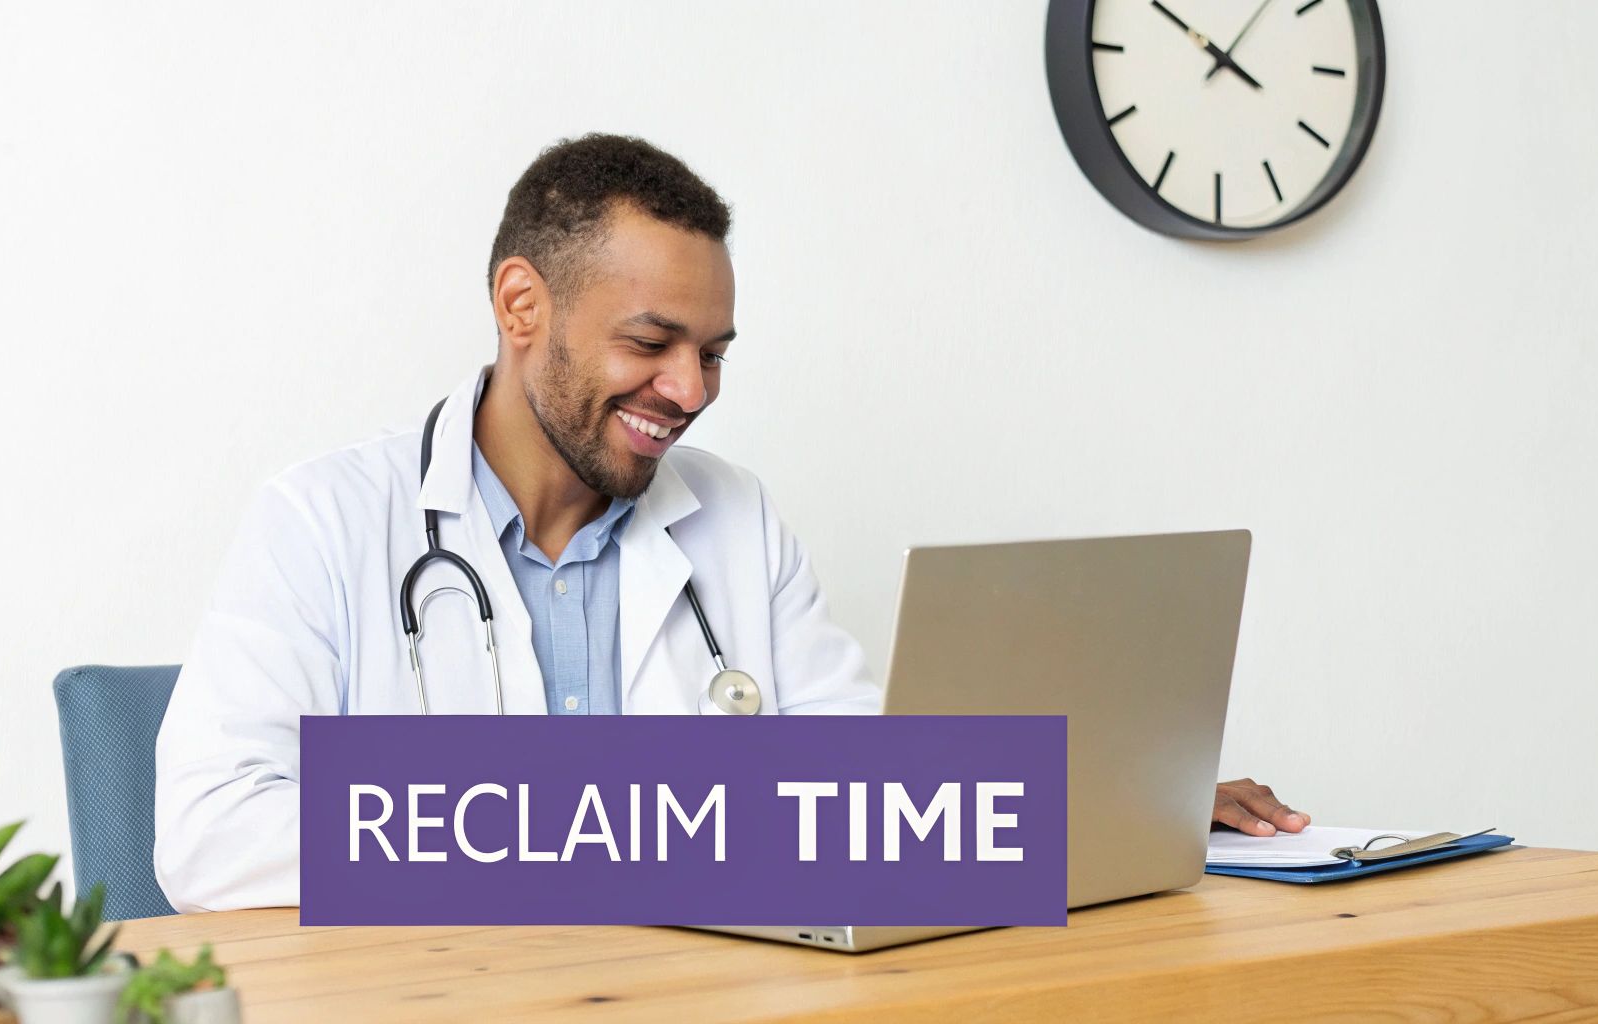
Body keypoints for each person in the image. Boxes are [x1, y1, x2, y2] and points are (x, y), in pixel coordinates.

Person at [153, 134, 1308, 913]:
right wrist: (600, 822)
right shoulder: (326, 520)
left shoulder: (731, 518)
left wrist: (1095, 803)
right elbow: (209, 830)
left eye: (710, 355)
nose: (690, 391)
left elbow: (859, 780)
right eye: (649, 345)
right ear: (520, 305)